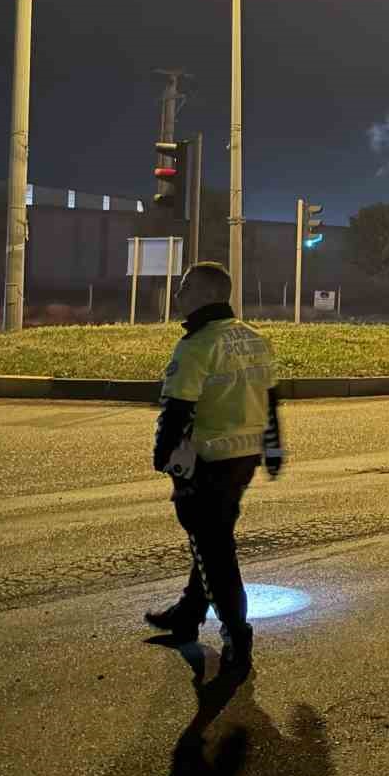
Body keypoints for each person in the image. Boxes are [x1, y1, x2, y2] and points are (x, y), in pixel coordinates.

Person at [144, 262, 284, 677]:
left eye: (185, 287)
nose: (178, 294)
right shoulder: (254, 338)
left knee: (215, 550)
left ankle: (237, 634)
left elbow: (176, 410)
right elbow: (270, 398)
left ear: (206, 294)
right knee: (212, 538)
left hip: (205, 462)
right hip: (244, 459)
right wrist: (274, 449)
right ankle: (187, 615)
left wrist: (164, 457)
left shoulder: (197, 345)